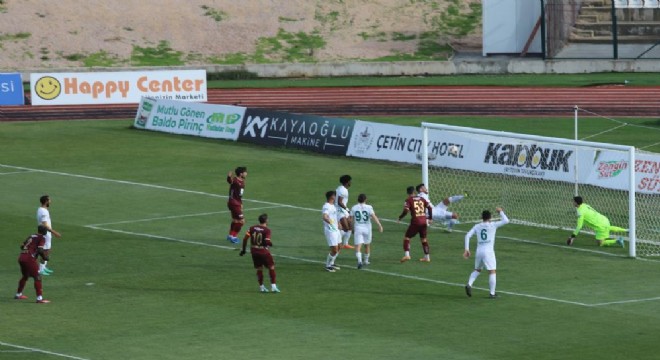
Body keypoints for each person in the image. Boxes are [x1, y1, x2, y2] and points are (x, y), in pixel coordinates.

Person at [464, 207, 509, 299]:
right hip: (488, 252)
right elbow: (506, 221)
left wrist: (467, 249)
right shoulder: (493, 225)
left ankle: (469, 284)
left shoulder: (477, 226)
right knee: (492, 271)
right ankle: (492, 294)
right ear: (490, 217)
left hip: (479, 251)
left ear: (482, 217)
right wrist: (500, 212)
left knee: (477, 270)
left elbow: (467, 235)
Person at [239, 214, 279, 293]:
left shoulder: (252, 228)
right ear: (266, 220)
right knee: (271, 267)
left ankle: (261, 287)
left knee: (259, 268)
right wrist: (271, 244)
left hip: (254, 251)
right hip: (263, 251)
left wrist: (243, 250)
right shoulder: (267, 230)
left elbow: (245, 239)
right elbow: (267, 241)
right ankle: (273, 286)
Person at [15, 225, 51, 303]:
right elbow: (40, 250)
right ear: (44, 232)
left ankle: (18, 294)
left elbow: (22, 246)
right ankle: (39, 299)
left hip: (21, 257)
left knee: (25, 276)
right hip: (29, 259)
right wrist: (44, 257)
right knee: (37, 277)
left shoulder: (31, 236)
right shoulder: (42, 238)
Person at [398, 186, 433, 263]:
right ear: (414, 192)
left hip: (416, 222)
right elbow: (430, 208)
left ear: (408, 193)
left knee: (407, 238)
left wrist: (400, 217)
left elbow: (406, 211)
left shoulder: (408, 200)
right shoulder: (422, 199)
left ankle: (407, 255)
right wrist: (430, 218)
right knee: (424, 239)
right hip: (424, 222)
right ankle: (427, 257)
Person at [350, 193, 384, 269]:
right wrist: (379, 225)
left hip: (358, 228)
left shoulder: (354, 208)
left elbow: (351, 220)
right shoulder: (369, 207)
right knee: (367, 245)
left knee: (358, 246)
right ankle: (366, 260)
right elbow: (374, 216)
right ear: (365, 200)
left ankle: (359, 261)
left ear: (358, 200)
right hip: (367, 228)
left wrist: (352, 228)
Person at [37, 195, 61, 275]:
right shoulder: (43, 211)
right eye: (49, 200)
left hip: (46, 233)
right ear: (46, 201)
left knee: (47, 250)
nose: (51, 201)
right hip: (45, 233)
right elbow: (45, 224)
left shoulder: (41, 209)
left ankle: (43, 267)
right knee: (45, 251)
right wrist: (54, 232)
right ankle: (41, 269)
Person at [226, 166, 247, 244]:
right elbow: (230, 181)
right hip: (234, 203)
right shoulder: (235, 180)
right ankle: (234, 237)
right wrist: (229, 176)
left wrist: (241, 204)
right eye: (245, 172)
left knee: (235, 220)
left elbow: (239, 195)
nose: (246, 173)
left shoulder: (242, 181)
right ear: (241, 173)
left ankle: (230, 235)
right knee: (242, 221)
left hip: (236, 203)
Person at [322, 190, 341, 272]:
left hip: (336, 229)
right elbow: (325, 216)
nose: (336, 196)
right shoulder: (326, 206)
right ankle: (327, 265)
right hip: (331, 230)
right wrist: (329, 221)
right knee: (334, 250)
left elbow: (334, 216)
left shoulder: (333, 205)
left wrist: (339, 223)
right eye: (335, 195)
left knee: (339, 246)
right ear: (332, 197)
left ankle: (332, 263)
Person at [336, 175, 354, 249]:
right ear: (347, 182)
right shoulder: (343, 190)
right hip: (340, 211)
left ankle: (345, 244)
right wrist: (347, 209)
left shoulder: (340, 188)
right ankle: (336, 242)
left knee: (349, 227)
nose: (351, 182)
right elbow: (339, 202)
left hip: (343, 210)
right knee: (345, 228)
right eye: (350, 181)